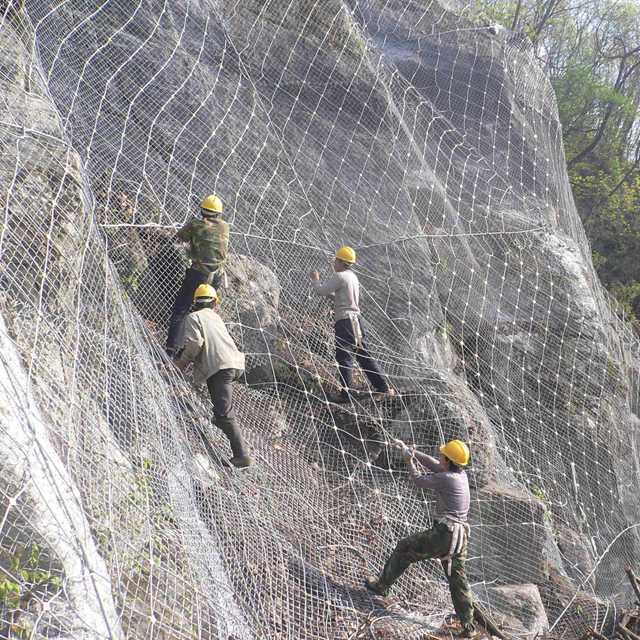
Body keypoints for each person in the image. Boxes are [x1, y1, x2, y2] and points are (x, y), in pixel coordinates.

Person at [365, 439, 476, 638]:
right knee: (457, 580)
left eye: (443, 455)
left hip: (446, 534)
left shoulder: (447, 478)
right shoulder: (460, 475)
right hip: (460, 536)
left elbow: (418, 480)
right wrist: (411, 451)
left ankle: (382, 586)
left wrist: (409, 460)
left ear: (449, 461)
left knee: (404, 548)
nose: (440, 457)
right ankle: (468, 626)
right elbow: (435, 465)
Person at [174, 284, 253, 468]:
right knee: (220, 412)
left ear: (196, 303)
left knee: (224, 413)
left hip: (219, 367)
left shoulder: (193, 317)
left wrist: (180, 364)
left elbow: (195, 343)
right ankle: (220, 422)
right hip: (229, 363)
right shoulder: (216, 317)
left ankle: (242, 455)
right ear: (214, 303)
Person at [310, 246, 394, 403]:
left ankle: (346, 395)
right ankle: (382, 387)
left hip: (346, 323)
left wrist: (315, 280)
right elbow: (341, 297)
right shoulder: (352, 277)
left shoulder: (340, 276)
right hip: (355, 322)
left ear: (341, 262)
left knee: (344, 357)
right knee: (363, 356)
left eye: (336, 260)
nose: (334, 262)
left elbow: (321, 291)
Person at [166, 194, 230, 356]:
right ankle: (200, 353)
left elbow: (178, 238)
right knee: (204, 314)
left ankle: (171, 351)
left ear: (203, 210)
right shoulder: (225, 226)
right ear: (219, 213)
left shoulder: (195, 225)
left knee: (181, 310)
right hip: (216, 277)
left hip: (198, 275)